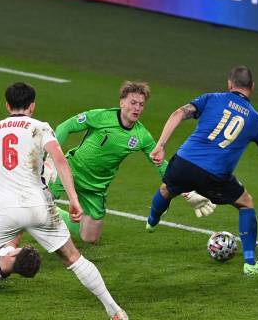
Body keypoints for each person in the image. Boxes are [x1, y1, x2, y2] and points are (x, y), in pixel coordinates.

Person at [0, 82, 128, 320]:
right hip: (41, 207)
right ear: (32, 106)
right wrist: (74, 200)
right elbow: (61, 161)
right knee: (74, 259)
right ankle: (114, 310)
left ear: (7, 105)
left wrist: (4, 186)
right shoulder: (40, 128)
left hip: (5, 209)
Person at [146, 66, 258, 275]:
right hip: (215, 176)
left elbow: (180, 113)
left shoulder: (212, 98)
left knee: (166, 189)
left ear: (229, 84)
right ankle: (250, 263)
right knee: (246, 203)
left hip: (184, 162)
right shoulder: (256, 121)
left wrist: (161, 145)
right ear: (252, 87)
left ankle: (152, 221)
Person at [48, 81, 215, 243]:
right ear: (122, 102)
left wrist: (187, 192)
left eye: (141, 104)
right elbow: (64, 127)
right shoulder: (101, 116)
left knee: (89, 237)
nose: (137, 108)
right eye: (133, 102)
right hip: (70, 170)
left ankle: (55, 214)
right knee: (40, 204)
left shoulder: (142, 136)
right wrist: (52, 157)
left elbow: (160, 165)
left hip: (96, 187)